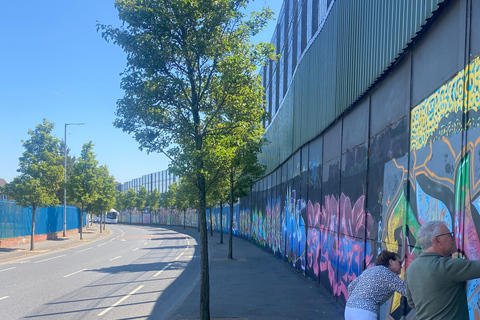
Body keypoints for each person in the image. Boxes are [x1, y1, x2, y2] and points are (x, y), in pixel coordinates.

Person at [405, 220, 480, 319]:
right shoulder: (447, 266)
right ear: (437, 241)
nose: (453, 238)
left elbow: (412, 303)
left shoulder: (410, 269)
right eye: (449, 235)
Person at [345, 250, 406, 320]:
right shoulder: (388, 274)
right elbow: (407, 291)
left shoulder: (370, 270)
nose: (401, 266)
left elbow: (350, 287)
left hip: (349, 309)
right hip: (365, 312)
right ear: (391, 262)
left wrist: (357, 302)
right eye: (399, 262)